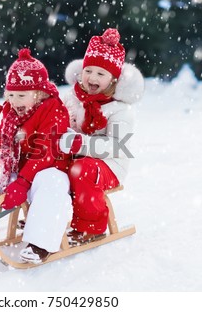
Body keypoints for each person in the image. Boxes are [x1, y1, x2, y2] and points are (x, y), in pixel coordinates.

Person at [0, 48, 73, 263]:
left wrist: (23, 182)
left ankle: (40, 243)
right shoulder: (12, 114)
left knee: (52, 181)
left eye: (21, 95)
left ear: (39, 93)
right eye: (10, 95)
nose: (14, 100)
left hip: (46, 171)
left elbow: (46, 150)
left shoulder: (53, 110)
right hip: (20, 175)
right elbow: (1, 145)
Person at [59, 28, 144, 244]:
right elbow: (60, 120)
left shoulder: (119, 109)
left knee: (82, 170)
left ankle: (91, 227)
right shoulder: (73, 97)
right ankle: (48, 215)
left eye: (100, 74)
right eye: (89, 70)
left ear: (113, 80)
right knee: (48, 167)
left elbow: (116, 146)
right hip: (76, 157)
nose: (92, 78)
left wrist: (79, 143)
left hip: (110, 164)